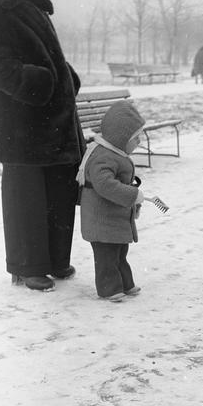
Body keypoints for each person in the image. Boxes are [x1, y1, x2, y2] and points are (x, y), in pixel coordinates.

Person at [0, 0, 85, 292]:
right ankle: (26, 266)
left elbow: (46, 55)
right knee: (26, 197)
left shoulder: (31, 6)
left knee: (58, 191)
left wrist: (66, 77)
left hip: (50, 119)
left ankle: (53, 260)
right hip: (19, 123)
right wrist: (39, 82)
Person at [77, 100, 145, 302]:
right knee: (107, 256)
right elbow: (105, 185)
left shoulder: (114, 152)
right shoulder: (102, 157)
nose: (139, 141)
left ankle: (125, 284)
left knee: (119, 252)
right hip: (101, 220)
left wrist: (134, 202)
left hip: (112, 219)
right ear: (121, 138)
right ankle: (109, 288)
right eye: (136, 137)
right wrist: (132, 195)